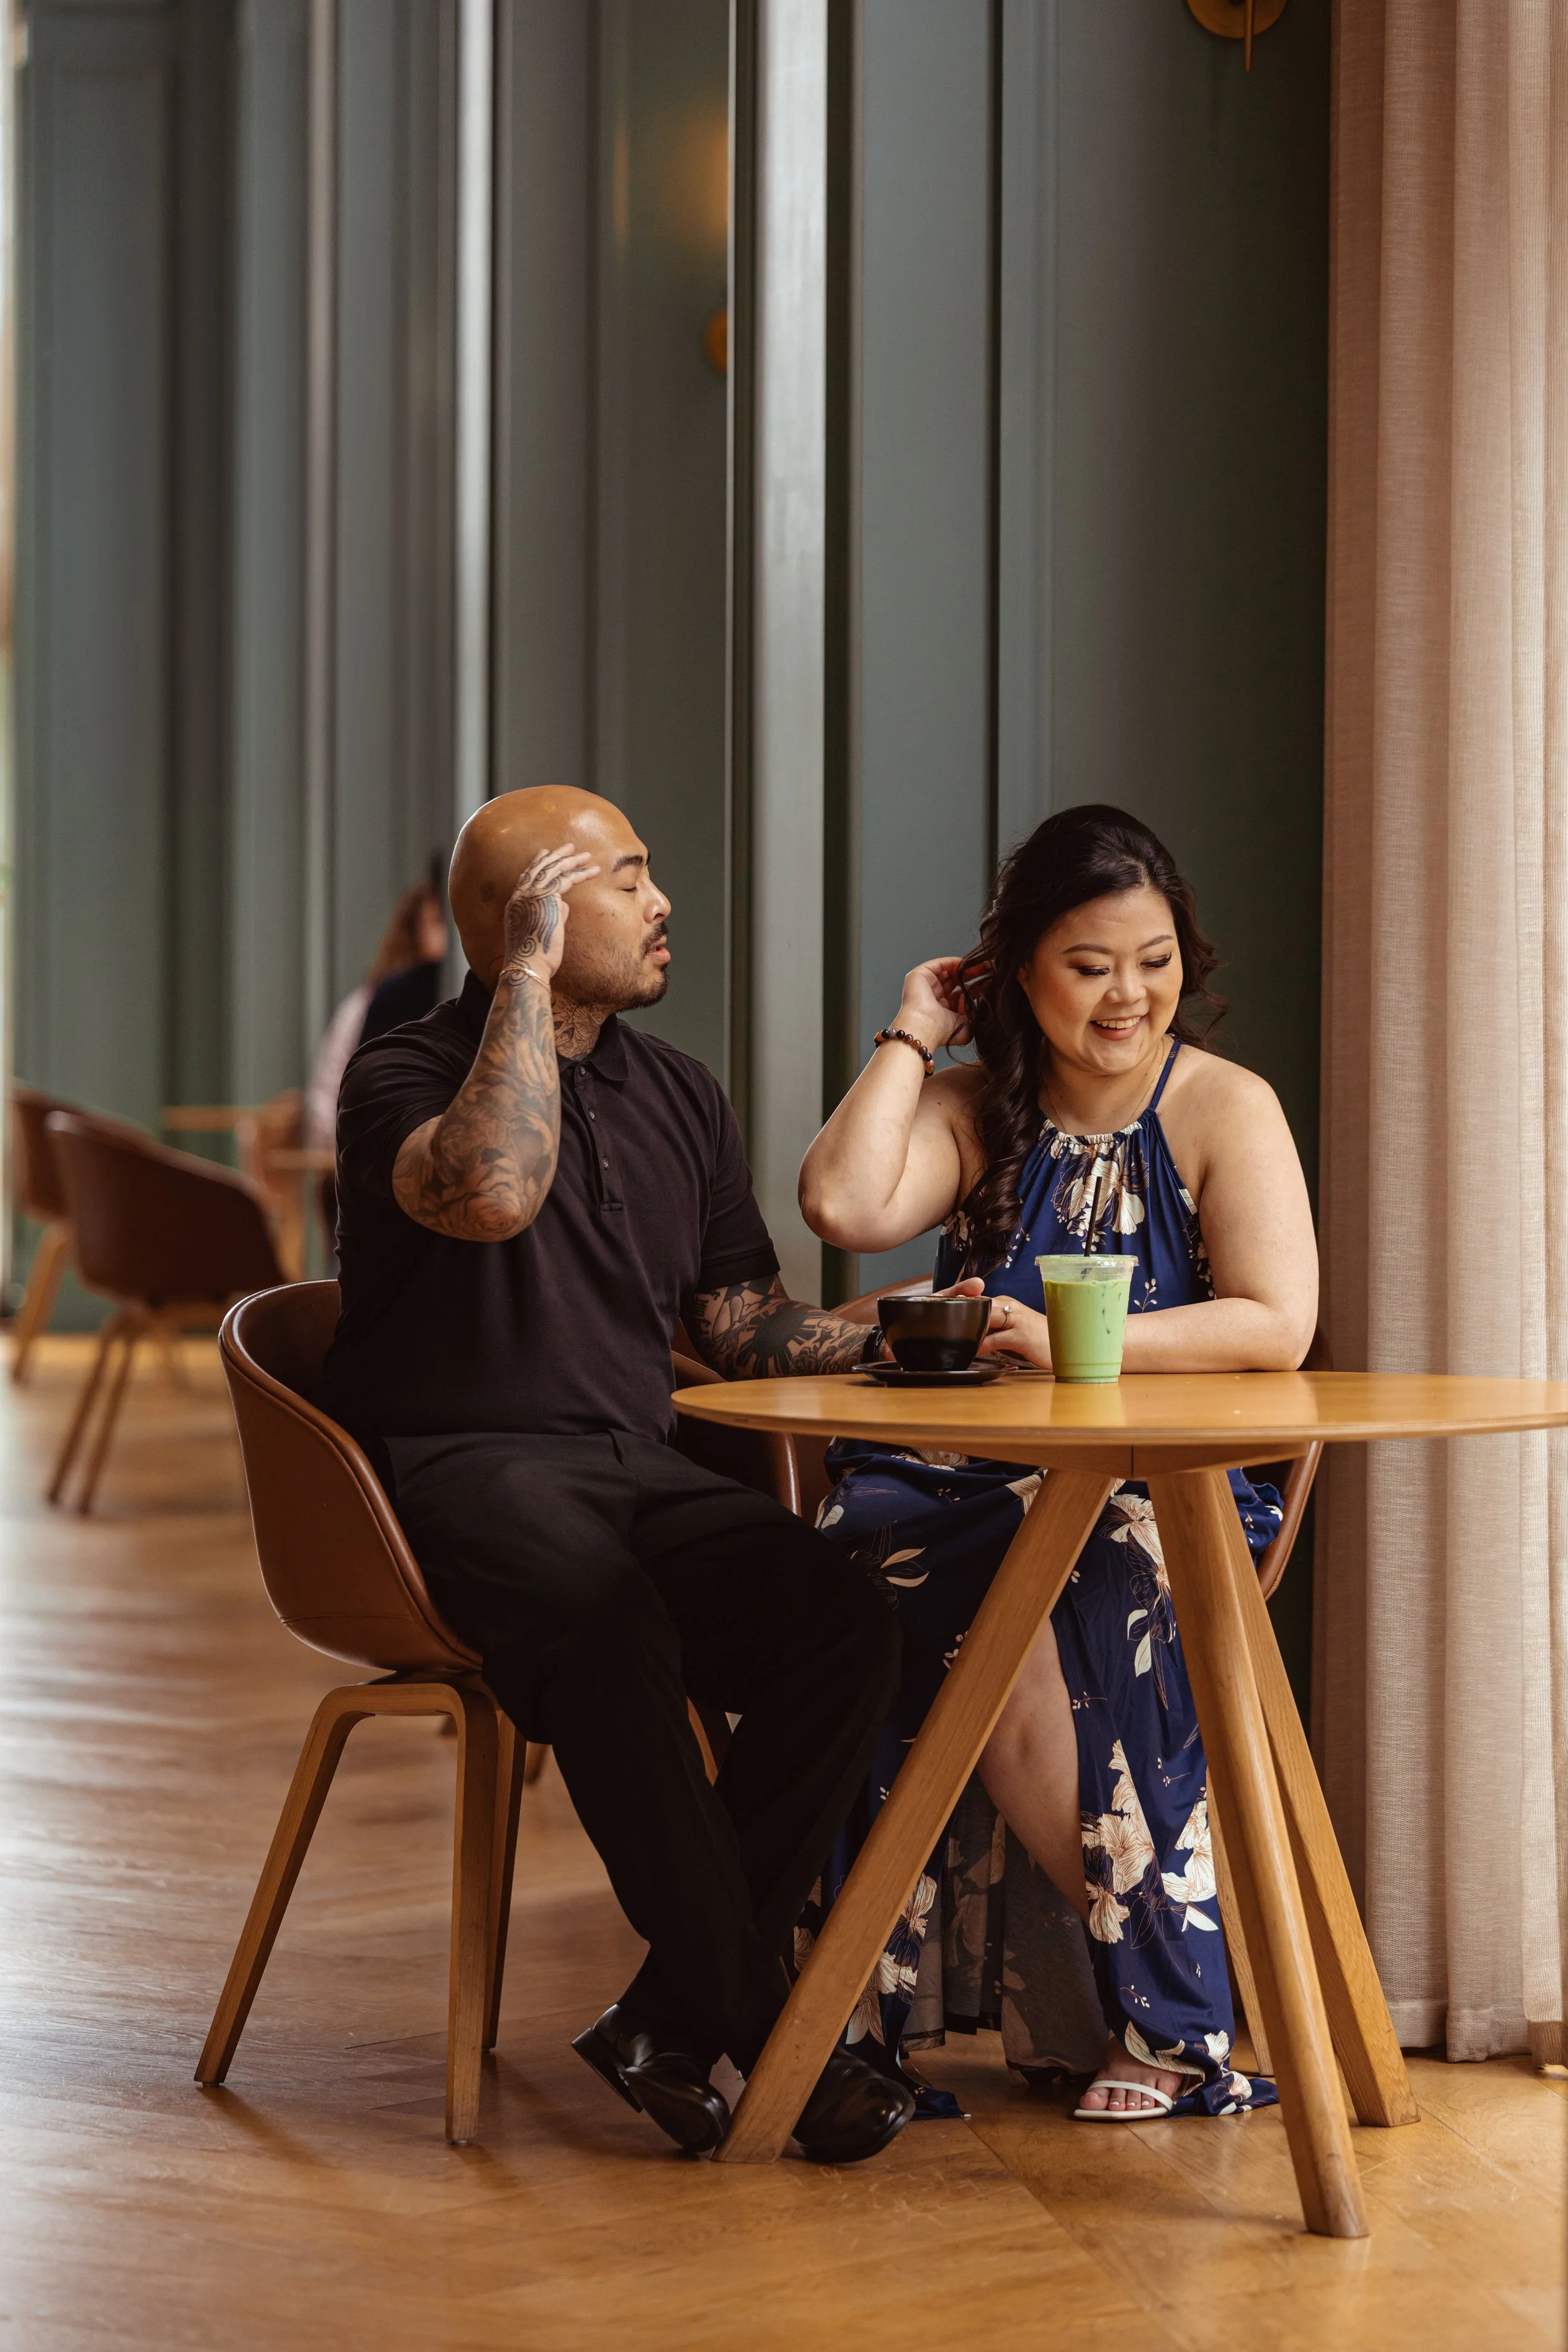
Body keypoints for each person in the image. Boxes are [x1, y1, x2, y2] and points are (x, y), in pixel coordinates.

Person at [323, 785, 913, 2163]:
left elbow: (737, 1327)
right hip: (453, 1476)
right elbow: (490, 1193)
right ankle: (773, 2029)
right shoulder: (406, 1075)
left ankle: (666, 2014)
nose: (661, 906)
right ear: (523, 920)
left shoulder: (679, 1094)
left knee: (844, 1623)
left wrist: (905, 1340)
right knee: (605, 1620)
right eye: (627, 881)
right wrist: (523, 978)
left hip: (631, 1471)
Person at [797, 804, 1318, 2121]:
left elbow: (1274, 1322)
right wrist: (915, 1029)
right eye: (1089, 964)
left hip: (1164, 1485)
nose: (1126, 995)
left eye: (1151, 961)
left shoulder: (1220, 1108)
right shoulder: (976, 1109)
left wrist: (1087, 1344)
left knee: (1082, 1585)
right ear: (1016, 971)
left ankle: (1166, 2013)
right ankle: (849, 2018)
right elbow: (843, 1207)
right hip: (956, 1476)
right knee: (855, 1577)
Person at [305, 880, 451, 1152]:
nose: (452, 935)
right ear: (414, 931)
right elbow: (326, 1100)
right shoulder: (372, 1003)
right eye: (440, 922)